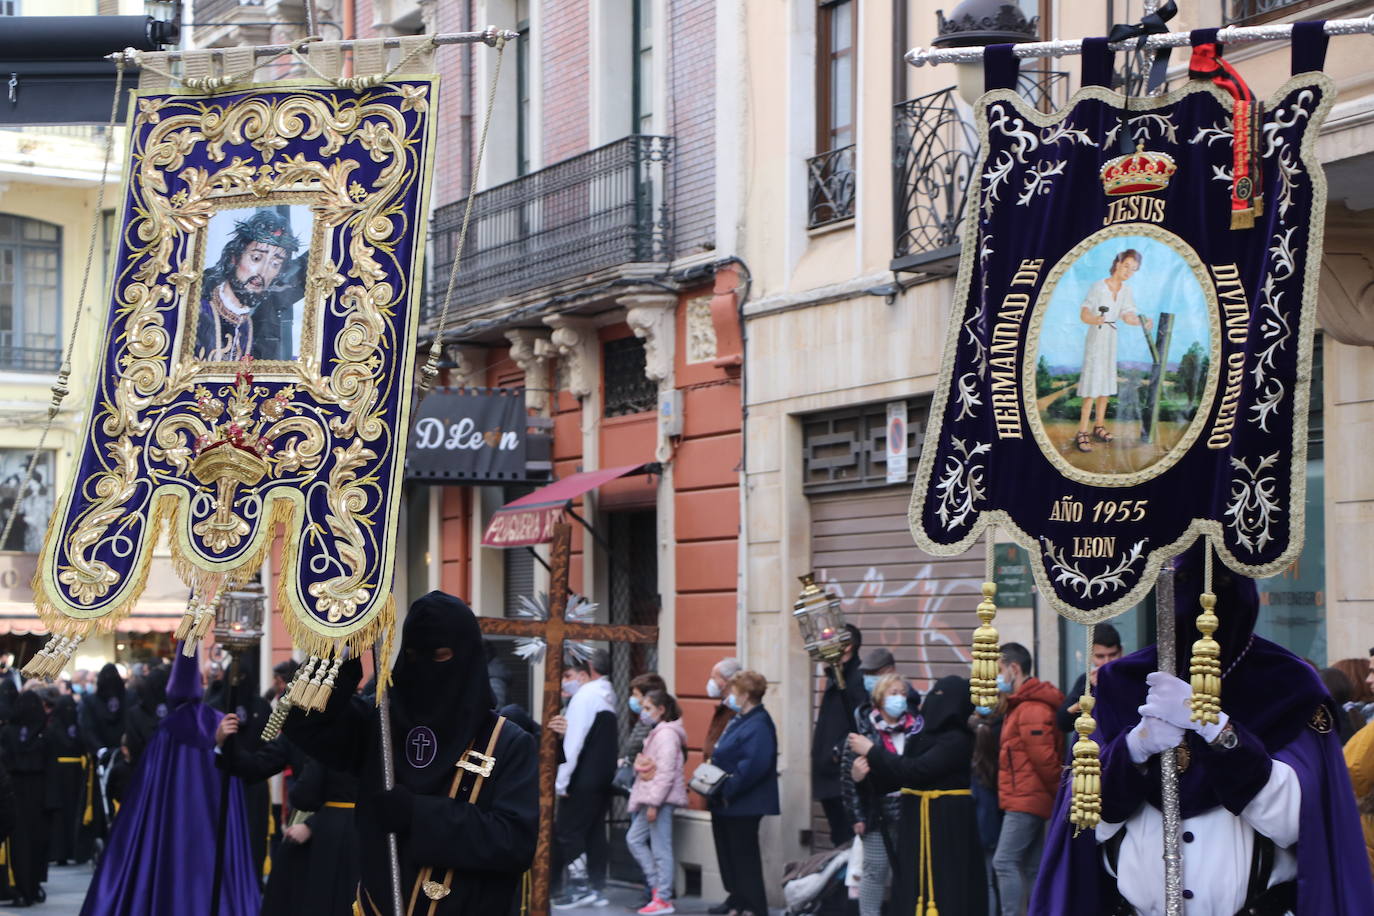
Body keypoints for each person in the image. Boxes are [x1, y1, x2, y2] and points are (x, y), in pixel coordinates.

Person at [1032, 546, 1374, 914]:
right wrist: (1133, 749)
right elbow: (1088, 825)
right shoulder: (1122, 682)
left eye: (1224, 585)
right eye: (1181, 583)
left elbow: (1299, 822)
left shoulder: (1286, 684)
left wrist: (1218, 732)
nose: (1199, 604)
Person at [285, 591, 537, 915]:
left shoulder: (508, 742)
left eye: (441, 656)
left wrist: (419, 815)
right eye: (415, 656)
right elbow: (305, 727)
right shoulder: (380, 726)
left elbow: (514, 842)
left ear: (467, 657)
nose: (426, 669)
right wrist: (340, 654)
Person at [80, 645, 260, 916]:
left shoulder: (167, 730)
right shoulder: (215, 721)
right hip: (210, 818)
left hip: (175, 817)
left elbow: (150, 784)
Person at [850, 675, 987, 916]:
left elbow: (916, 770)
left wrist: (872, 752)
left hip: (945, 822)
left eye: (942, 696)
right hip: (916, 821)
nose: (935, 700)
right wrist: (862, 777)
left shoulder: (957, 740)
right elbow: (898, 774)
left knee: (945, 881)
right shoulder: (921, 736)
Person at [841, 673, 924, 916]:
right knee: (875, 870)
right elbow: (848, 781)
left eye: (902, 693)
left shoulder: (916, 728)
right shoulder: (863, 732)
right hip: (877, 812)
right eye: (893, 693)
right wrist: (857, 816)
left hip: (910, 809)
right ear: (879, 698)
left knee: (909, 870)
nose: (899, 699)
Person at [991, 643, 1062, 916]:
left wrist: (1059, 797)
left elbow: (1045, 761)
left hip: (1026, 800)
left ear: (1014, 668)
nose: (997, 678)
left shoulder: (1031, 708)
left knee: (1004, 862)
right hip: (1027, 797)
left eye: (999, 670)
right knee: (1030, 866)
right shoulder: (1020, 705)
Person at [550, 649, 618, 909]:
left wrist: (561, 782)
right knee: (593, 833)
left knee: (569, 832)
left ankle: (578, 888)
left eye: (567, 675)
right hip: (600, 779)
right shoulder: (605, 695)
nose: (564, 681)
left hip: (582, 780)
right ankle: (597, 887)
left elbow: (574, 744)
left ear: (584, 672)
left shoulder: (585, 697)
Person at [708, 670, 778, 916]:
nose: (731, 697)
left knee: (744, 857)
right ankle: (738, 901)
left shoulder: (759, 723)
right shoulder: (740, 718)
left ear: (746, 695)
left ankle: (754, 906)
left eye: (735, 692)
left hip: (742, 802)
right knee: (730, 855)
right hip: (726, 801)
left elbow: (753, 766)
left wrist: (727, 788)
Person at [195, 209, 305, 362]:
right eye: (256, 258)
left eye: (275, 264)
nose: (263, 272)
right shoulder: (197, 311)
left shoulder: (251, 328)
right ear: (235, 257)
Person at [1074, 248, 1153, 453]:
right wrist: (1094, 319)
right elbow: (1084, 313)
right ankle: (1082, 432)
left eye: (1133, 269)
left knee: (1106, 384)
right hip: (1097, 336)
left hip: (1111, 338)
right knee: (1092, 385)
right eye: (1126, 266)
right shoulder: (1098, 287)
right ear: (1117, 263)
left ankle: (1098, 426)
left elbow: (1127, 315)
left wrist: (1141, 323)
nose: (1128, 271)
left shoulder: (1126, 291)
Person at [627, 689, 688, 915]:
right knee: (634, 839)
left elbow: (666, 773)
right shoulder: (659, 733)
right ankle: (657, 890)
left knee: (661, 848)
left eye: (647, 708)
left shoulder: (666, 735)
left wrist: (654, 803)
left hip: (658, 800)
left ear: (661, 710)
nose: (643, 713)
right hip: (653, 798)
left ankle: (662, 898)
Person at [811, 624, 865, 848]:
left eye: (829, 640)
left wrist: (838, 751)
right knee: (839, 840)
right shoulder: (835, 676)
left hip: (842, 777)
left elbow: (862, 720)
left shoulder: (856, 678)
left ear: (847, 646)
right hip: (828, 777)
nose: (823, 645)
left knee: (848, 843)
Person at [700, 656, 741, 916]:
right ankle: (733, 897)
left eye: (715, 677)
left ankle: (740, 899)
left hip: (727, 789)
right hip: (714, 787)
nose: (711, 682)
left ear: (726, 682)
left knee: (736, 851)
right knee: (724, 850)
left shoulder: (737, 710)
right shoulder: (724, 707)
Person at [2, 691, 51, 906]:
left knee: (17, 842)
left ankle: (19, 886)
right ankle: (33, 884)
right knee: (37, 840)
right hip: (39, 791)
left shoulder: (7, 733)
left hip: (13, 790)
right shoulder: (45, 733)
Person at [1055, 623, 1123, 758]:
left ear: (1121, 652)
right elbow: (1063, 721)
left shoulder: (1129, 677)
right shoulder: (1086, 682)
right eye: (1100, 656)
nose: (1107, 662)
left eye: (1112, 655)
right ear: (1091, 656)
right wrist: (1089, 697)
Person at [970, 699, 1006, 915]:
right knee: (991, 879)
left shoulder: (971, 737)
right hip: (994, 819)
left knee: (983, 880)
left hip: (979, 822)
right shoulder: (1000, 734)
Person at [46, 693, 84, 866]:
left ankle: (73, 850)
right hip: (63, 775)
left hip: (72, 774)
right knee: (63, 815)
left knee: (72, 813)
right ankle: (62, 852)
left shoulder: (69, 725)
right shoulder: (58, 727)